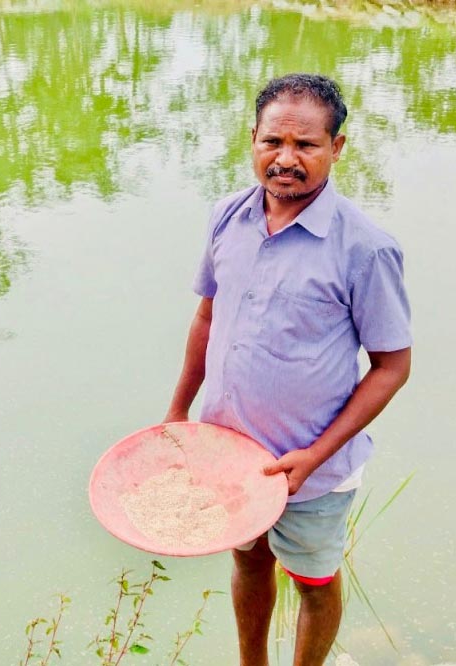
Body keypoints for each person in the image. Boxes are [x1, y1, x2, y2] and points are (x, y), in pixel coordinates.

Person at [163, 73, 412, 666]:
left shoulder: (366, 249)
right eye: (273, 141)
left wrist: (316, 455)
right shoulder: (227, 217)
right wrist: (177, 411)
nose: (286, 159)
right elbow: (207, 317)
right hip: (230, 452)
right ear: (253, 137)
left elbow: (392, 367)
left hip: (312, 470)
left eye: (307, 145)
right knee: (248, 561)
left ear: (337, 147)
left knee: (314, 584)